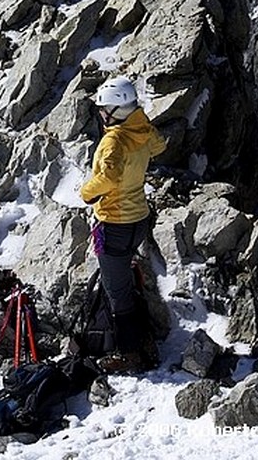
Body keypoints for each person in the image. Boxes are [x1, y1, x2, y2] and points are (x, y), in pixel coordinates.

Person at [80, 75, 166, 372]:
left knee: (118, 293)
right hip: (139, 219)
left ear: (115, 110)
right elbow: (158, 146)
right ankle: (141, 336)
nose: (101, 114)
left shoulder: (113, 140)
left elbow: (109, 178)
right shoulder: (142, 129)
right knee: (124, 282)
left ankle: (129, 353)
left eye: (104, 109)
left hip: (114, 223)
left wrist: (85, 192)